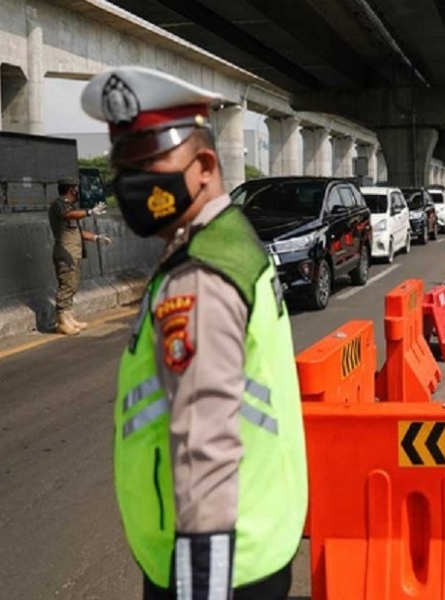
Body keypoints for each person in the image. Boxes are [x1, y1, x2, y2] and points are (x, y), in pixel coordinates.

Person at [81, 66, 308, 599]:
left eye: (149, 164)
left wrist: (199, 586)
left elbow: (205, 447)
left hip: (217, 565)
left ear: (204, 165)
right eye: (124, 168)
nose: (132, 185)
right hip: (255, 541)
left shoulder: (201, 274)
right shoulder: (230, 240)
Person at [47, 178, 110, 335]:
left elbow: (76, 232)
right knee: (66, 285)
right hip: (65, 252)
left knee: (72, 284)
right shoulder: (59, 205)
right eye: (76, 188)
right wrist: (89, 212)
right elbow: (69, 215)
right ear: (70, 189)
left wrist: (95, 237)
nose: (78, 192)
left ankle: (68, 316)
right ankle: (61, 321)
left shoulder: (70, 207)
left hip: (73, 252)